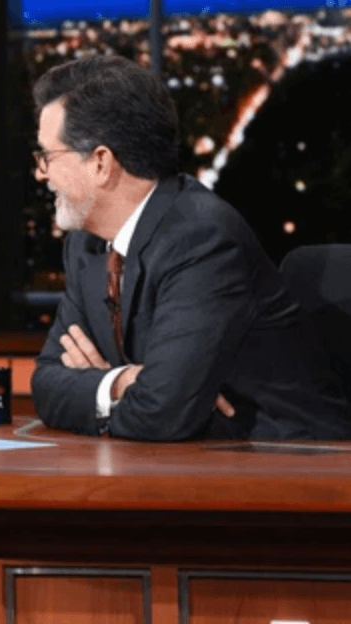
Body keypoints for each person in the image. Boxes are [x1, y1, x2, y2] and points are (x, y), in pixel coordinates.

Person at [30, 55, 351, 440]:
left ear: (101, 162)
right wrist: (120, 383)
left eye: (48, 156)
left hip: (290, 460)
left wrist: (113, 389)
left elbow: (161, 412)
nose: (40, 173)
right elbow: (46, 384)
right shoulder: (86, 247)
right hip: (182, 457)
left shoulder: (199, 237)